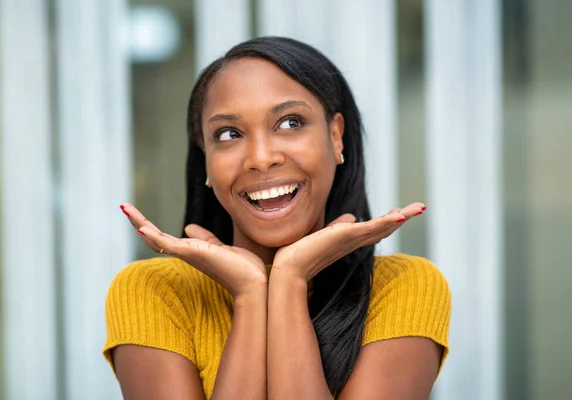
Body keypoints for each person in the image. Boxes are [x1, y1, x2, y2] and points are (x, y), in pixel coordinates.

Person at [103, 36, 451, 399]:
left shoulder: (404, 287)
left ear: (336, 137)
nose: (261, 157)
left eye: (290, 123)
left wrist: (289, 280)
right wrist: (250, 294)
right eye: (229, 133)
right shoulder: (155, 290)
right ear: (206, 157)